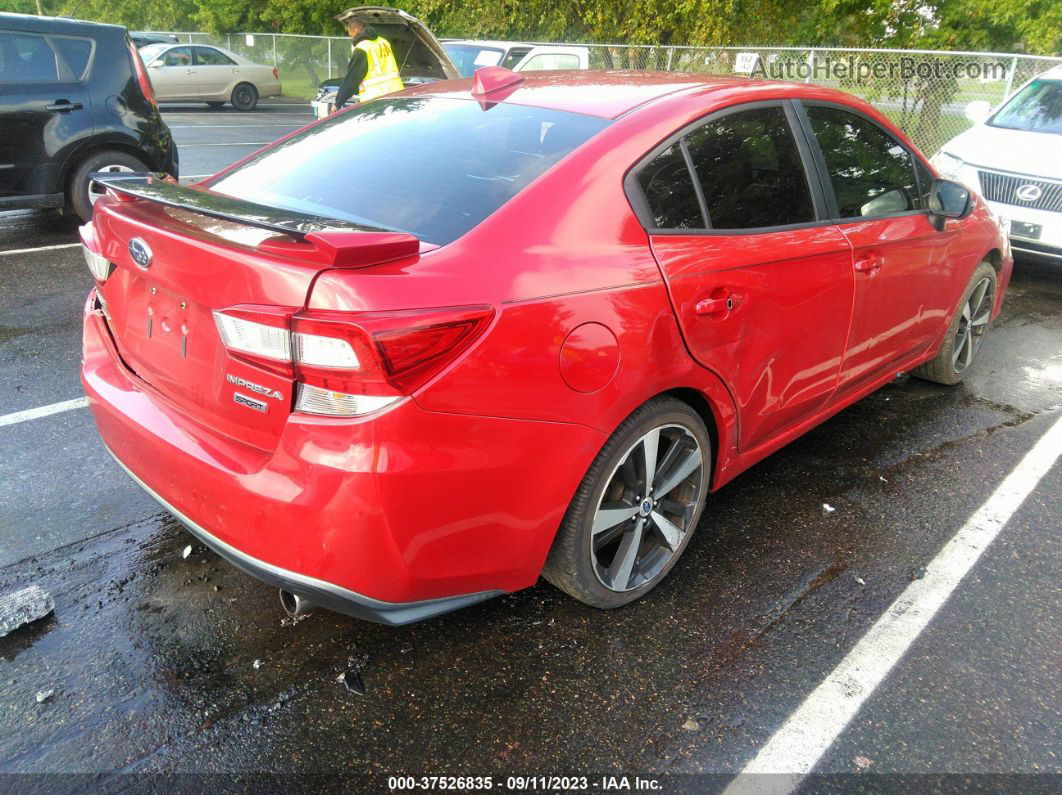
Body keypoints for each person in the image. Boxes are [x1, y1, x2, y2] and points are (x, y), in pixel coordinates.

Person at [332, 9, 405, 113]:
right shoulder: (384, 42)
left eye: (350, 34)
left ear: (356, 30)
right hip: (397, 94)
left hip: (376, 100)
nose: (350, 37)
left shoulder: (362, 48)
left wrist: (337, 103)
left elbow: (352, 79)